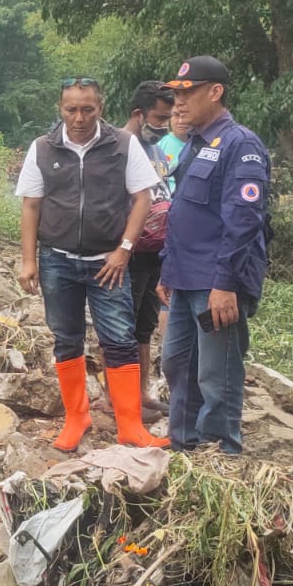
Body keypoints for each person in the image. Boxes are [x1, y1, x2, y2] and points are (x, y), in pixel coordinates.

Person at [16, 77, 167, 451]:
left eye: (88, 109)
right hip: (57, 262)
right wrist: (28, 261)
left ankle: (130, 424)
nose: (79, 118)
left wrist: (125, 249)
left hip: (108, 263)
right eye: (71, 110)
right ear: (60, 109)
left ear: (100, 108)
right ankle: (76, 417)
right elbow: (31, 206)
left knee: (119, 339)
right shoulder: (41, 149)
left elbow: (142, 199)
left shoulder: (122, 145)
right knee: (66, 339)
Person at [156, 56, 271, 454]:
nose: (178, 104)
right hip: (185, 276)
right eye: (175, 96)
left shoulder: (241, 145)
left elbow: (243, 221)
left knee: (215, 373)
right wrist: (166, 271)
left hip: (216, 281)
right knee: (176, 363)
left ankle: (220, 451)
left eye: (187, 94)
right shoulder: (194, 145)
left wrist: (226, 284)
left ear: (216, 92)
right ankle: (184, 444)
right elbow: (181, 211)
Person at [121, 80, 177, 416]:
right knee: (121, 327)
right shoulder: (119, 146)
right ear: (138, 114)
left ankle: (140, 394)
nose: (163, 126)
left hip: (156, 251)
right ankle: (118, 398)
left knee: (144, 327)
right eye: (158, 118)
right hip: (128, 253)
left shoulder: (155, 150)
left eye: (167, 118)